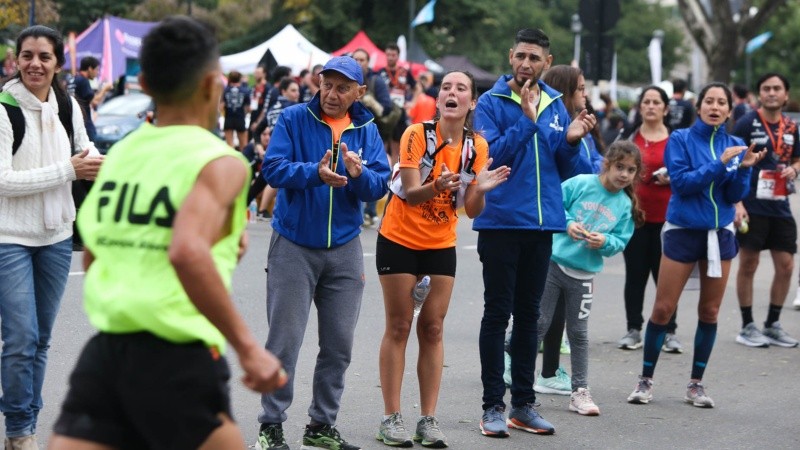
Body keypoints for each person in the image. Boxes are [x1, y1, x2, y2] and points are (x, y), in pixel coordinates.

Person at [48, 16, 287, 450]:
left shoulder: (121, 156)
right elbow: (186, 252)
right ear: (213, 85)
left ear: (147, 85)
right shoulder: (221, 161)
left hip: (107, 355)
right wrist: (249, 348)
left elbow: (94, 257)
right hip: (177, 356)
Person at [256, 55, 390, 450]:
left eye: (342, 87)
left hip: (345, 248)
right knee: (285, 341)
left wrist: (357, 174)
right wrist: (313, 173)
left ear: (359, 92)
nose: (331, 94)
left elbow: (379, 186)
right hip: (294, 244)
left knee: (339, 345)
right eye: (327, 84)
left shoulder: (366, 127)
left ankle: (320, 426)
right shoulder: (295, 118)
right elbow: (273, 169)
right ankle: (270, 427)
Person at [375, 71, 510, 448]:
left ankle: (428, 419)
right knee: (400, 325)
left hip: (440, 243)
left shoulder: (476, 146)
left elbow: (471, 210)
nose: (452, 93)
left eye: (460, 88)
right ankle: (391, 418)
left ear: (472, 102)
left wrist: (479, 189)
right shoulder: (416, 135)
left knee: (432, 328)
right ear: (438, 99)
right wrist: (437, 184)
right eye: (446, 88)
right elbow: (412, 194)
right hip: (398, 239)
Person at [472, 28, 595, 439]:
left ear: (547, 61)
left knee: (530, 319)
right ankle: (493, 405)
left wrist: (573, 142)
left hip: (544, 226)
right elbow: (491, 159)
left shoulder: (557, 104)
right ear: (510, 57)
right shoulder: (490, 104)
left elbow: (566, 169)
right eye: (520, 56)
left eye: (534, 58)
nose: (526, 64)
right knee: (497, 314)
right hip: (502, 223)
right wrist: (525, 120)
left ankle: (523, 405)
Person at [627, 82, 765, 409]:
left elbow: (732, 196)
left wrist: (743, 169)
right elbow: (685, 184)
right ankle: (645, 379)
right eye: (709, 101)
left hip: (721, 235)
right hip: (683, 231)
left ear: (730, 111)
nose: (715, 107)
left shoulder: (735, 143)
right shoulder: (681, 139)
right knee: (663, 308)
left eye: (722, 103)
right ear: (699, 106)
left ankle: (696, 384)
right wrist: (720, 163)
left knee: (711, 310)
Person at [0, 24, 103, 449]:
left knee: (40, 339)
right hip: (9, 237)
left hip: (57, 237)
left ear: (58, 63)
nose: (35, 64)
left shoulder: (68, 104)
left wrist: (99, 160)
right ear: (15, 61)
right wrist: (69, 170)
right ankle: (20, 432)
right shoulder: (4, 108)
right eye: (27, 56)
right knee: (21, 338)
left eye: (44, 57)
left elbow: (85, 149)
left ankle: (26, 422)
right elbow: (3, 181)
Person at [537, 140, 643, 416]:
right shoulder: (582, 183)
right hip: (554, 265)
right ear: (606, 164)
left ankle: (580, 391)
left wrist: (605, 241)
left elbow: (620, 240)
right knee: (539, 323)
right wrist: (568, 223)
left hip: (584, 275)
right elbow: (553, 202)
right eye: (620, 167)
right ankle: (519, 375)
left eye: (631, 170)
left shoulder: (624, 204)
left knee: (579, 335)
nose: (624, 175)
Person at [527, 64, 599, 396]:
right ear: (564, 92)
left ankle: (547, 368)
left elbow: (596, 164)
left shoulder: (582, 128)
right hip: (561, 220)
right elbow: (572, 172)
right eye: (581, 88)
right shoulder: (563, 131)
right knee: (548, 306)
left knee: (554, 306)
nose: (585, 94)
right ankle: (537, 367)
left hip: (580, 222)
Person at [732, 73, 800, 348]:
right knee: (749, 264)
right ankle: (747, 325)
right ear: (760, 94)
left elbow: (797, 159)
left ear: (785, 95)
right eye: (766, 89)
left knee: (786, 265)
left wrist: (794, 169)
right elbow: (732, 160)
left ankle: (772, 324)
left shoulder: (792, 127)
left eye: (777, 89)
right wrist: (737, 203)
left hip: (780, 205)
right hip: (751, 205)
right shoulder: (747, 122)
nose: (771, 93)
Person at [618, 86, 683, 352]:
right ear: (640, 107)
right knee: (635, 276)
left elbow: (689, 174)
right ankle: (633, 329)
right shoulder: (630, 138)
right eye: (646, 101)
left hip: (669, 220)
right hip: (635, 218)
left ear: (666, 109)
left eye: (657, 102)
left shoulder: (677, 140)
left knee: (667, 278)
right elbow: (614, 170)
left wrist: (672, 178)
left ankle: (669, 331)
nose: (651, 106)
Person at [352, 48, 394, 227]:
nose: (359, 63)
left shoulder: (377, 81)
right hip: (351, 130)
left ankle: (370, 211)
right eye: (356, 59)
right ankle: (360, 211)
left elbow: (387, 108)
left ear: (368, 62)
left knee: (373, 169)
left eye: (362, 59)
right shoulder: (347, 78)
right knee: (354, 167)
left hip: (373, 131)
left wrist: (372, 103)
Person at [379, 42, 420, 166]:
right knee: (382, 145)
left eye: (393, 55)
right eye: (388, 55)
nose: (391, 57)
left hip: (400, 112)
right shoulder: (380, 73)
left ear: (398, 56)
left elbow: (417, 88)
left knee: (396, 146)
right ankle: (382, 172)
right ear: (385, 55)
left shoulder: (404, 71)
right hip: (384, 112)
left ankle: (393, 176)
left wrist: (412, 102)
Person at [72, 56, 112, 141]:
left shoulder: (75, 79)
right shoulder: (83, 81)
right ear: (90, 69)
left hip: (77, 122)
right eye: (97, 69)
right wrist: (105, 89)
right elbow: (95, 101)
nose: (97, 73)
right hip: (85, 124)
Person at [221, 70, 251, 150]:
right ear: (240, 78)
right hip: (240, 118)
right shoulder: (245, 90)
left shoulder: (225, 90)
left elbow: (221, 106)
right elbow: (248, 108)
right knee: (243, 146)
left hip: (228, 118)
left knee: (229, 146)